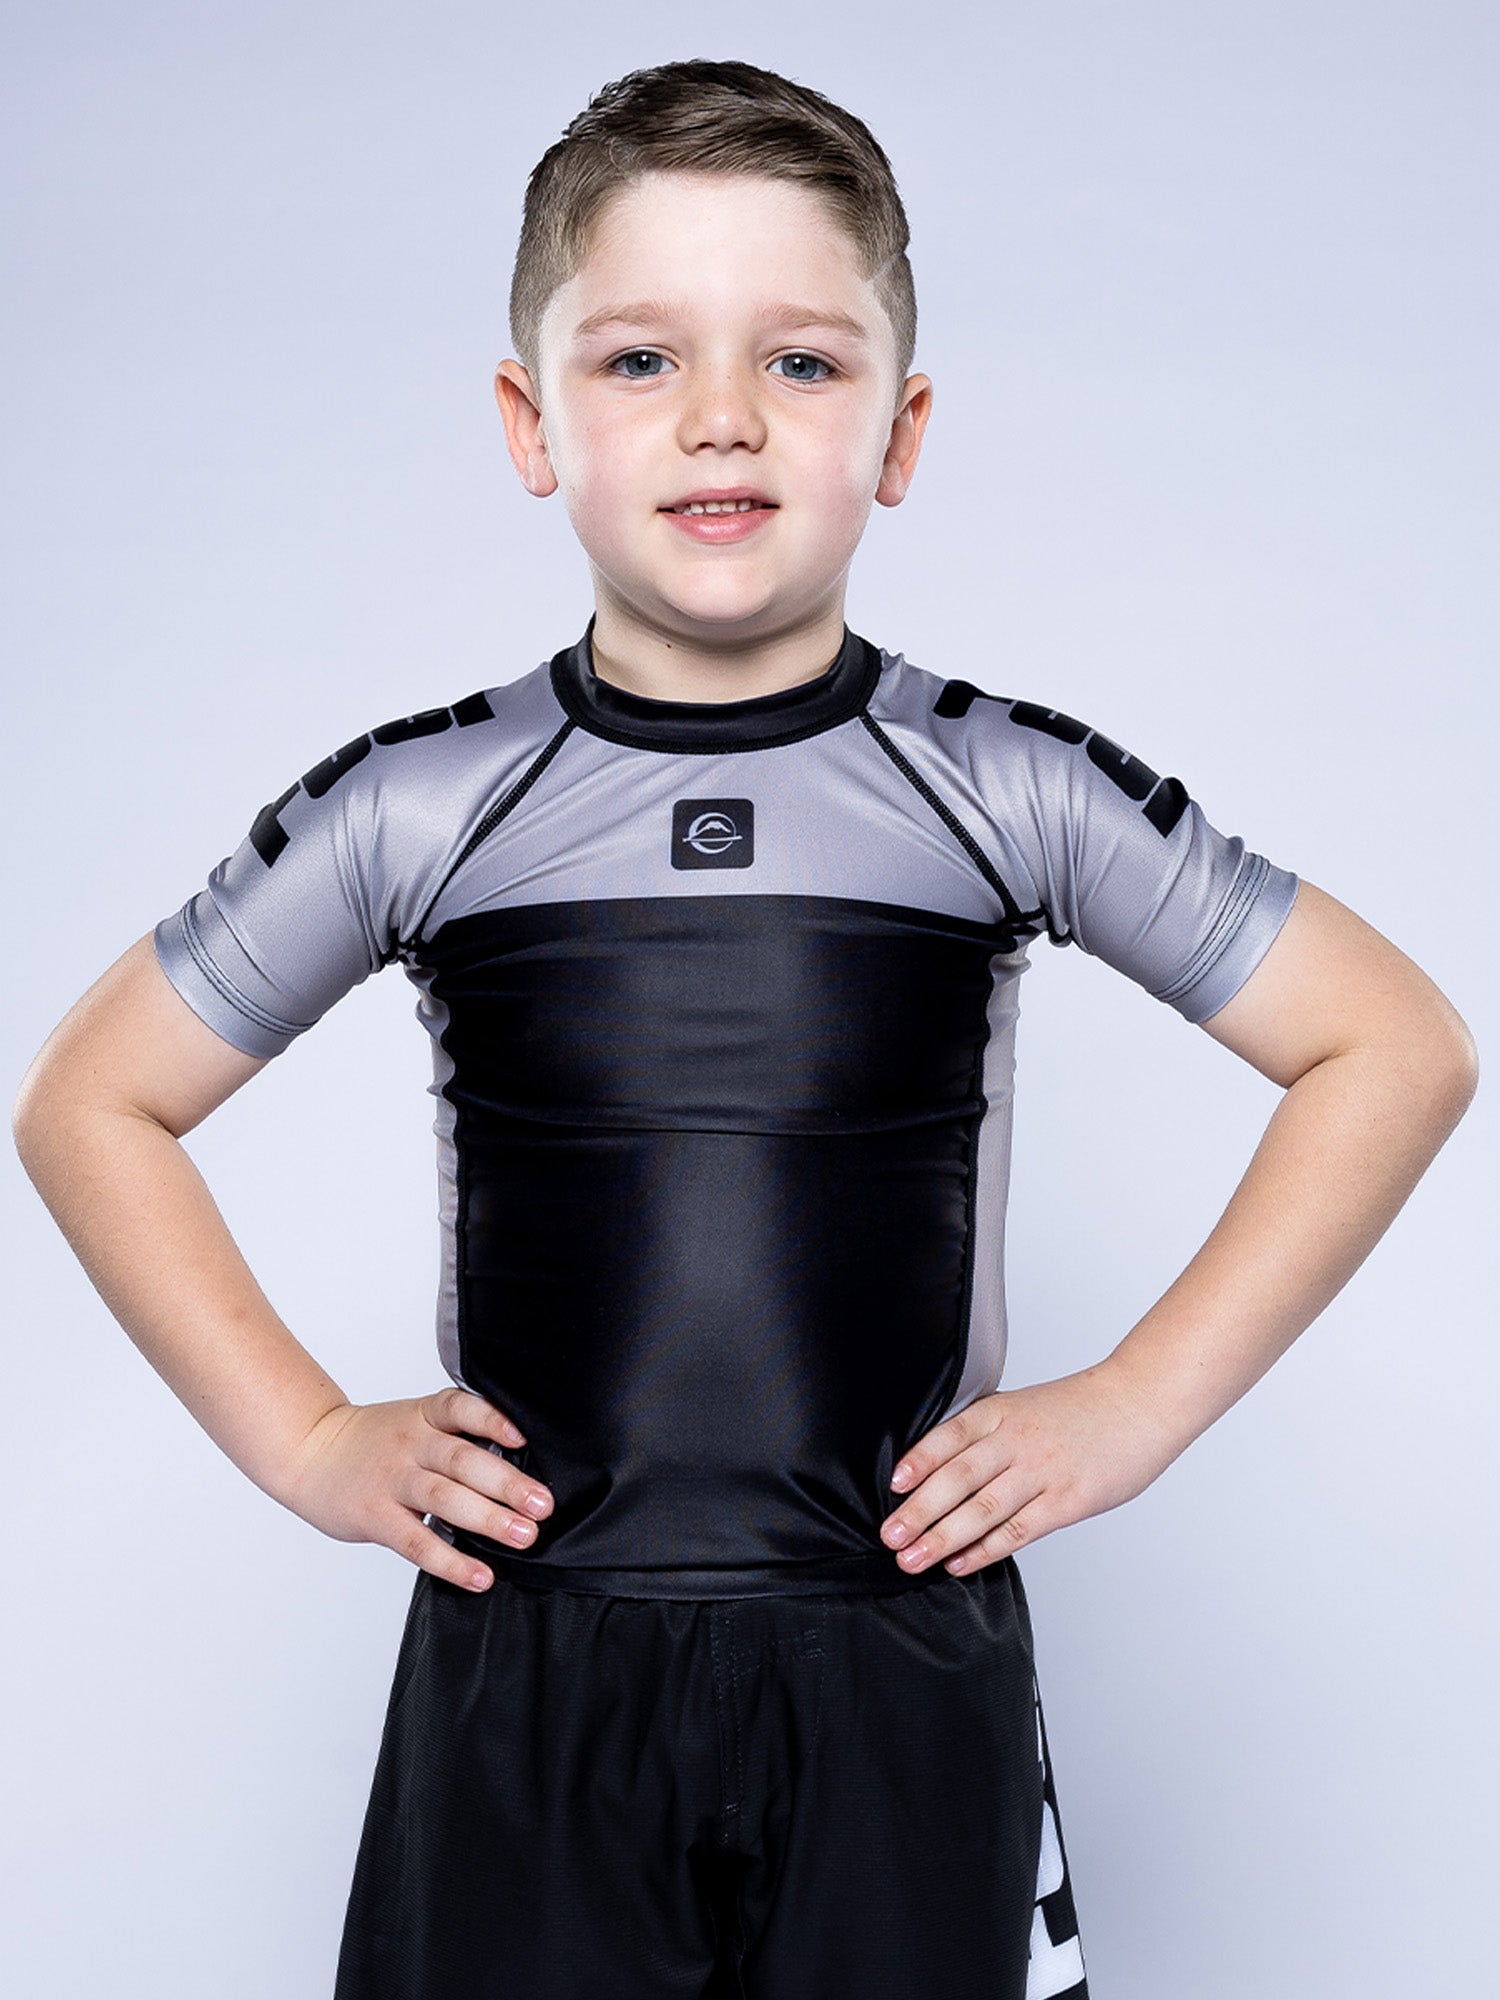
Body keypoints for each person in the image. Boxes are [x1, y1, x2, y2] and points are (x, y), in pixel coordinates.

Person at [11, 56, 1477, 2000]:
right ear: (532, 424)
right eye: (640, 362)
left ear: (904, 426)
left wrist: (1132, 1407)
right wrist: (302, 1437)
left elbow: (1393, 1043)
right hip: (527, 1664)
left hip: (897, 1653)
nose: (722, 417)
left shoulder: (997, 786)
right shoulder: (425, 806)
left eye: (801, 361)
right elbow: (93, 1098)